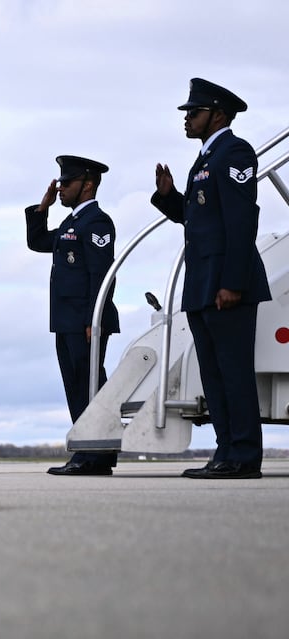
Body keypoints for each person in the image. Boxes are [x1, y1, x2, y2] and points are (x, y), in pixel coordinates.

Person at [152, 78, 272, 480]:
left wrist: (233, 282)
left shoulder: (233, 152)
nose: (187, 119)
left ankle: (244, 455)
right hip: (203, 283)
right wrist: (171, 197)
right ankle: (225, 451)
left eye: (194, 112)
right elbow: (198, 217)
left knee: (233, 371)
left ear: (217, 114)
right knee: (214, 373)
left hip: (225, 282)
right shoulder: (206, 159)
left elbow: (241, 221)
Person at [26, 155, 121, 476]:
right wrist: (44, 207)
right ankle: (92, 451)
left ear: (88, 184)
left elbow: (102, 275)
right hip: (66, 320)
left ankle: (92, 453)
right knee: (76, 386)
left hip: (85, 322)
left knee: (88, 386)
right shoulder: (71, 223)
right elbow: (38, 241)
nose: (60, 187)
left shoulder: (97, 222)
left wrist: (94, 321)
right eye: (60, 182)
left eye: (67, 183)